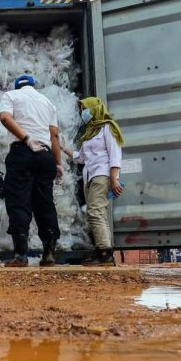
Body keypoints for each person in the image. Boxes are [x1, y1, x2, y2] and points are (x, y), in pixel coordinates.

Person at [0, 74, 63, 267]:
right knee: (45, 203)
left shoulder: (11, 95)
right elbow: (54, 135)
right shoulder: (48, 103)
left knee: (18, 201)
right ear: (35, 86)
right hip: (46, 156)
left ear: (18, 86)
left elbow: (4, 117)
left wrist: (26, 139)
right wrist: (58, 163)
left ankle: (21, 256)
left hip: (22, 152)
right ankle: (49, 254)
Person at [62, 97, 124, 265]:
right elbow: (80, 157)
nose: (83, 112)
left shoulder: (108, 128)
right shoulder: (90, 132)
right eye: (81, 109)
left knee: (95, 212)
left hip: (102, 175)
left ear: (94, 109)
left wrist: (114, 179)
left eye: (85, 108)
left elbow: (115, 155)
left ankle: (105, 254)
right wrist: (63, 147)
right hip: (89, 178)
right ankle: (103, 251)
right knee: (97, 213)